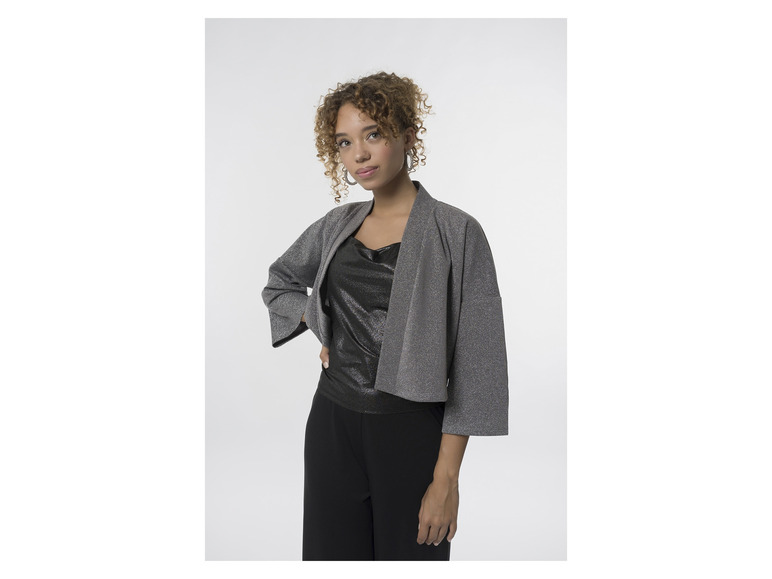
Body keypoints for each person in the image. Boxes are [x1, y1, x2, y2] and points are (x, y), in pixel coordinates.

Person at [262, 72, 508, 561]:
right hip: (332, 423)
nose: (359, 154)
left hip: (411, 432)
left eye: (373, 134)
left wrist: (446, 480)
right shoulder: (337, 225)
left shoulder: (456, 231)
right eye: (344, 142)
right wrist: (322, 322)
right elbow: (280, 282)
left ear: (407, 135)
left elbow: (477, 363)